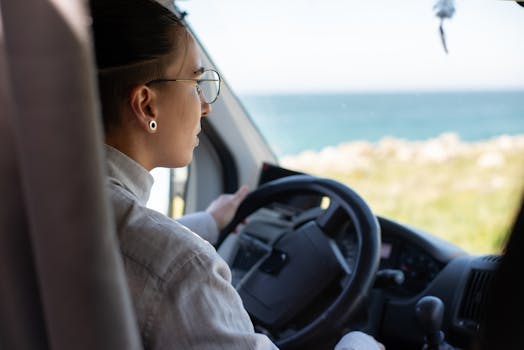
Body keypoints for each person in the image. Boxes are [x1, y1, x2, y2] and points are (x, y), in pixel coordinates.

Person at [89, 0, 384, 349]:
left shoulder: (41, 201)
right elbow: (155, 260)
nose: (206, 105)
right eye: (196, 83)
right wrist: (356, 344)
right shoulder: (185, 268)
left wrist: (209, 221)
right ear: (146, 105)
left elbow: (131, 247)